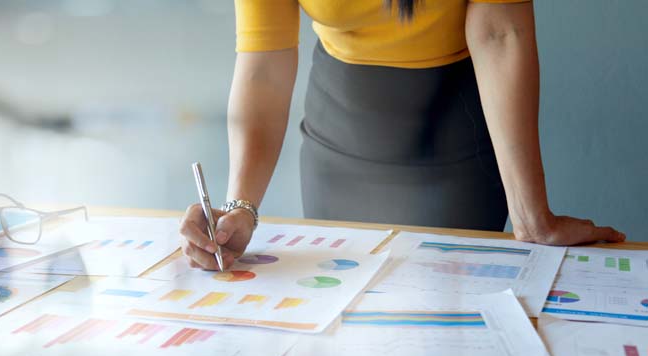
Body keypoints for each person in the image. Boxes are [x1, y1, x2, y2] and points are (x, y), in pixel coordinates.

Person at [180, 0, 625, 270]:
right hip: (337, 139)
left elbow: (498, 32)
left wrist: (533, 218)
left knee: (450, 327)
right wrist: (241, 209)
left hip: (453, 133)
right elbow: (264, 66)